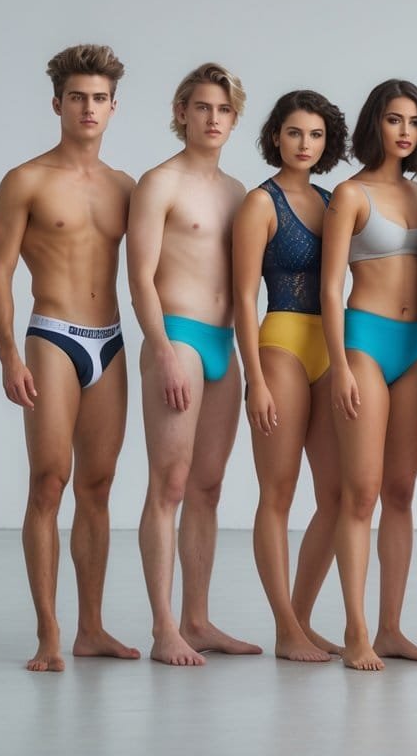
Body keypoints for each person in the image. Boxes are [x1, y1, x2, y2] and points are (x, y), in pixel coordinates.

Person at [0, 44, 140, 671]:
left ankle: (92, 628)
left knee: (98, 486)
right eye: (77, 97)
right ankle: (49, 632)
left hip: (111, 340)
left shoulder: (125, 187)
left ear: (113, 107)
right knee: (50, 481)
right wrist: (6, 355)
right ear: (58, 103)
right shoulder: (26, 180)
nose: (88, 108)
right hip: (51, 335)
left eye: (99, 98)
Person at [128, 62, 262, 666]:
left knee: (208, 487)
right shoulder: (159, 183)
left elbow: (243, 287)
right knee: (170, 485)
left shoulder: (237, 192)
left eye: (223, 110)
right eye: (201, 107)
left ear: (234, 119)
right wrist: (161, 351)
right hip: (176, 338)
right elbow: (140, 279)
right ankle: (163, 628)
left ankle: (198, 618)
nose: (212, 118)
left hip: (223, 343)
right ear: (181, 111)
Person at [321, 79, 417, 671]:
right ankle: (356, 629)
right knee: (361, 490)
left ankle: (392, 626)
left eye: (413, 121)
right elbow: (329, 287)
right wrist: (339, 363)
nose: (404, 131)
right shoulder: (350, 193)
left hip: (416, 347)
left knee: (401, 491)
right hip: (365, 342)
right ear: (376, 124)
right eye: (394, 119)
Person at [233, 90, 348, 662]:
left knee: (335, 493)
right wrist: (253, 377)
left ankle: (300, 619)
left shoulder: (334, 201)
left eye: (317, 135)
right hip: (279, 345)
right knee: (277, 493)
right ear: (276, 136)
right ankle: (284, 627)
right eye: (295, 133)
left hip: (332, 349)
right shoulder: (261, 203)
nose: (305, 144)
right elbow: (242, 297)